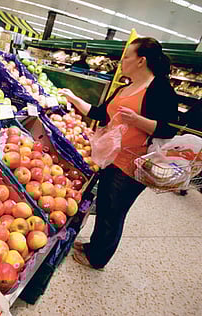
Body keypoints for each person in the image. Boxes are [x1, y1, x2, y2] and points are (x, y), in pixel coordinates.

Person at [59, 37, 179, 269]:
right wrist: (73, 98)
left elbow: (168, 129)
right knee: (104, 205)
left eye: (126, 57)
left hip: (134, 164)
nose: (122, 61)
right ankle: (95, 245)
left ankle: (98, 258)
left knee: (114, 212)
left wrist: (138, 120)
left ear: (141, 60)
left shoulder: (159, 88)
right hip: (111, 159)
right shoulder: (124, 88)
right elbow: (100, 113)